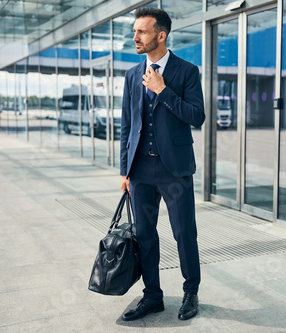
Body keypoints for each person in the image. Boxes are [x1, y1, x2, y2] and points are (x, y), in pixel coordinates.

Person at [119, 7, 205, 321]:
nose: (135, 37)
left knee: (184, 233)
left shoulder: (186, 71)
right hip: (140, 170)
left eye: (141, 31)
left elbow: (197, 117)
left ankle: (191, 293)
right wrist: (124, 171)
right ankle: (152, 296)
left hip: (175, 169)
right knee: (145, 235)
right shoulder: (131, 74)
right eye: (135, 32)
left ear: (161, 35)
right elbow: (126, 126)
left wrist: (163, 90)